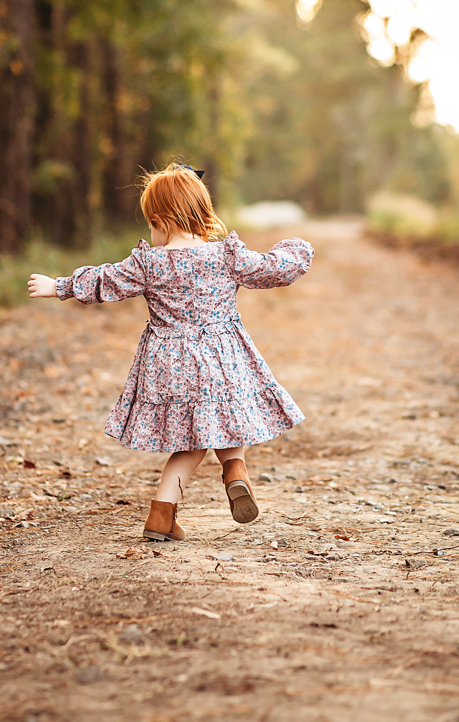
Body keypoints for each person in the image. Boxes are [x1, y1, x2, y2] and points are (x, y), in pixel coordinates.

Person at [27, 163, 313, 542]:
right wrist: (297, 248)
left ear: (161, 219)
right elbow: (274, 269)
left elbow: (105, 280)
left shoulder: (149, 263)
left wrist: (60, 286)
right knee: (227, 420)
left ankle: (162, 515)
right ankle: (235, 471)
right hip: (222, 358)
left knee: (190, 442)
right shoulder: (226, 255)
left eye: (150, 223)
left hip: (169, 365)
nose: (150, 230)